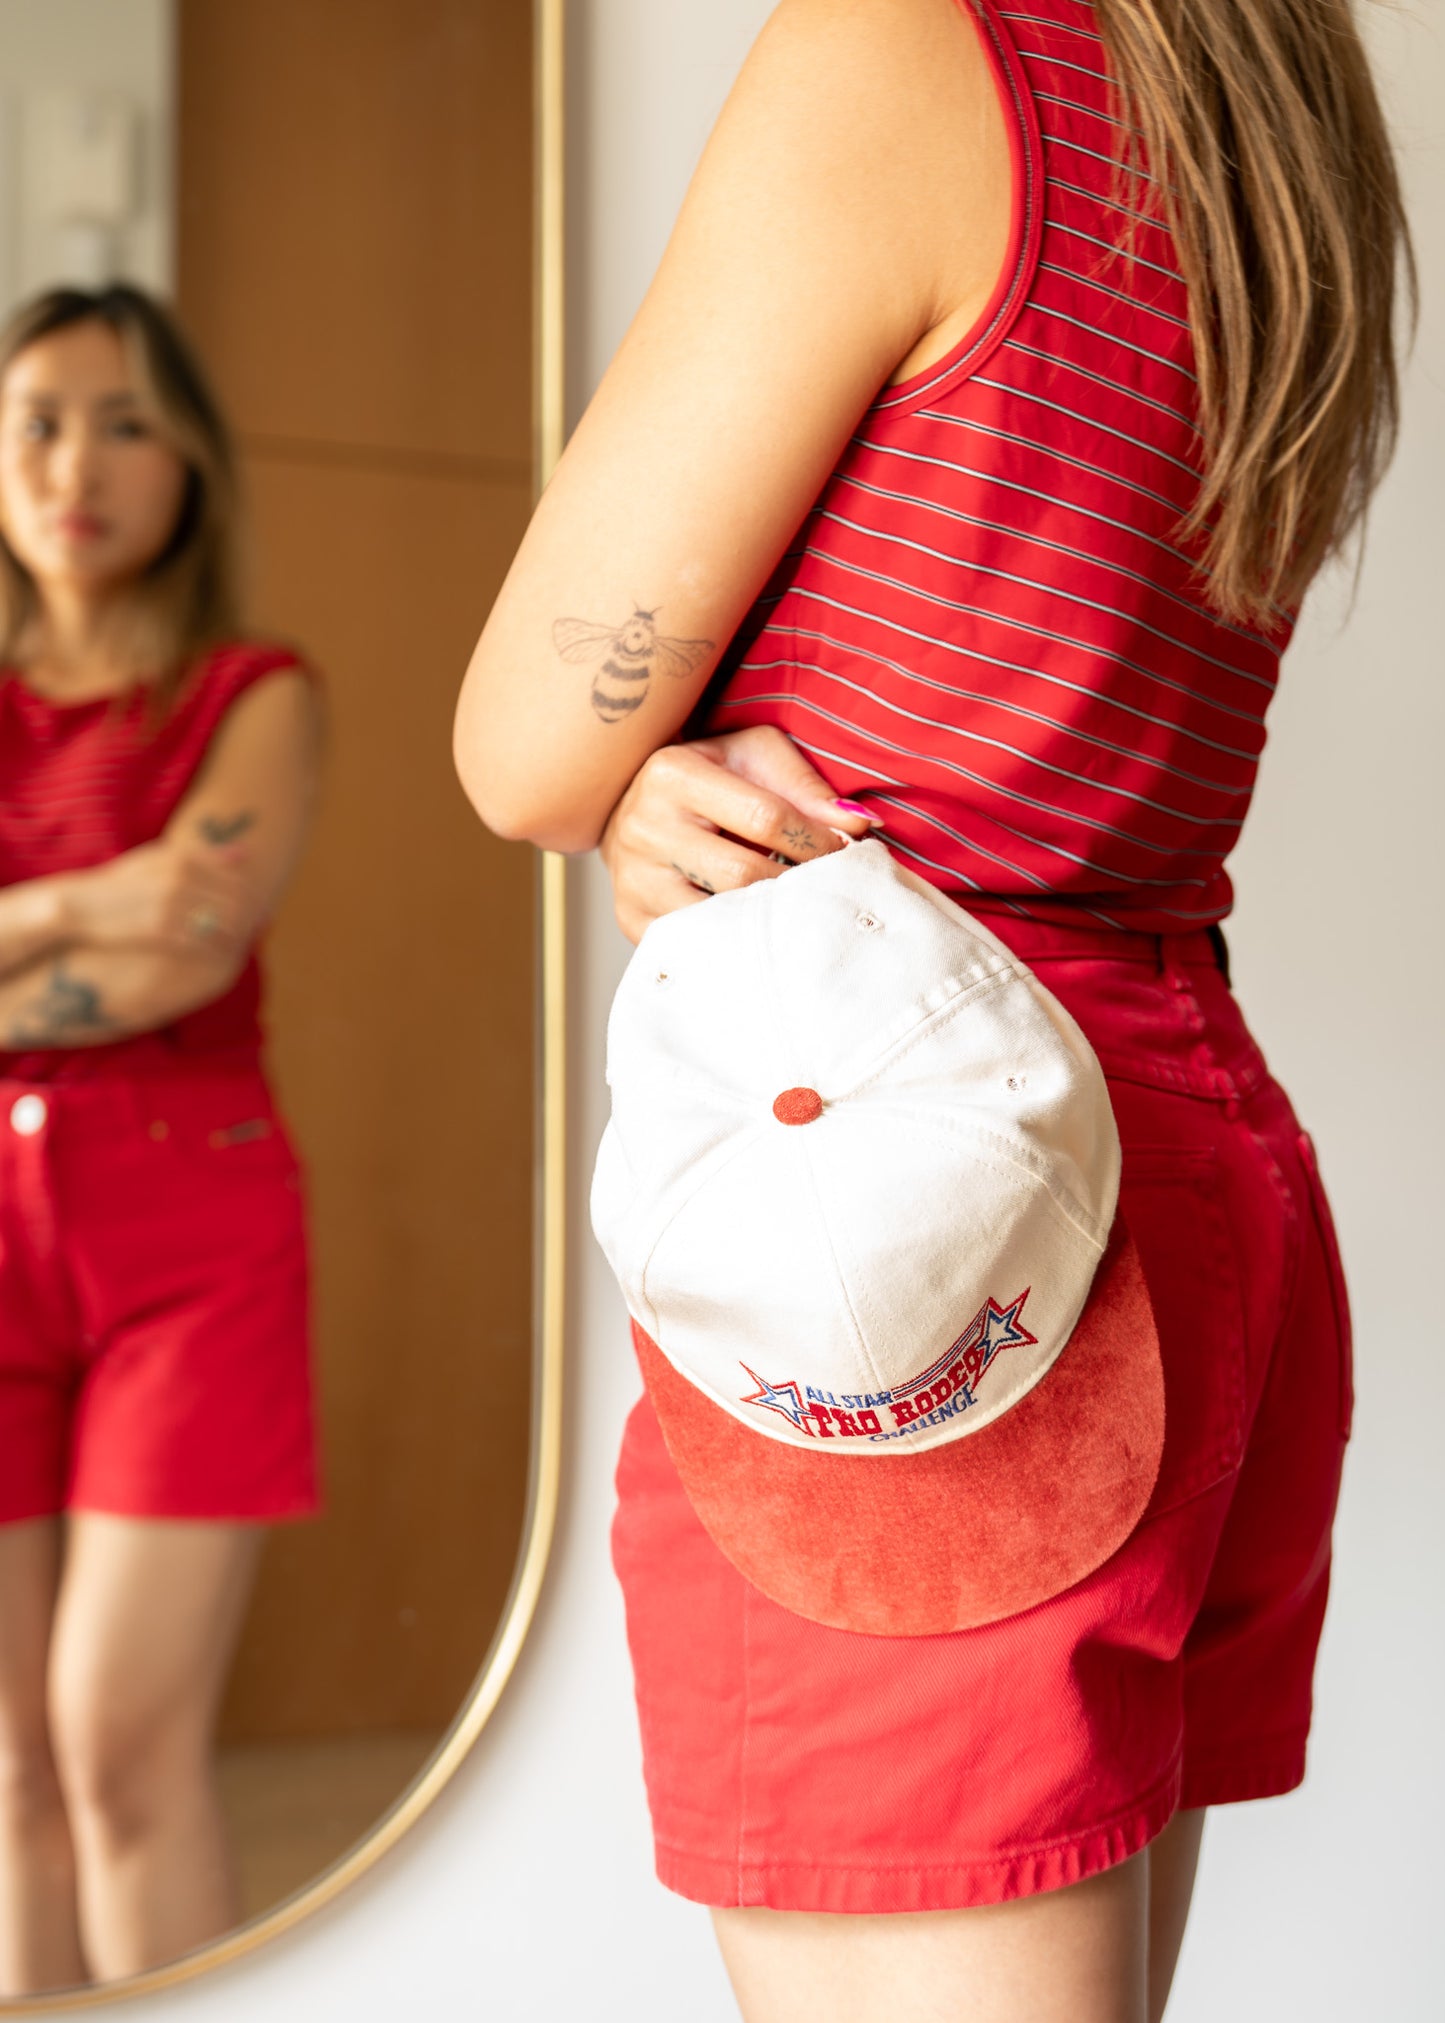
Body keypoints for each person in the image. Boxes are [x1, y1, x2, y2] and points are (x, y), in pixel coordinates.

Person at [453, 0, 1413, 2015]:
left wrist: (628, 768)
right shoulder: (1261, 80)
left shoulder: (908, 45)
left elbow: (527, 740)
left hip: (916, 1222)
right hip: (1175, 1160)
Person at [0, 284, 322, 1994]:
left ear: (192, 461)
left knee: (119, 1747)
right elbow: (120, 935)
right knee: (5, 1772)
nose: (79, 461)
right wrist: (81, 893)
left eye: (129, 421)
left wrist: (92, 927)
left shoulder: (255, 695)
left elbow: (178, 957)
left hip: (189, 1236)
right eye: (39, 416)